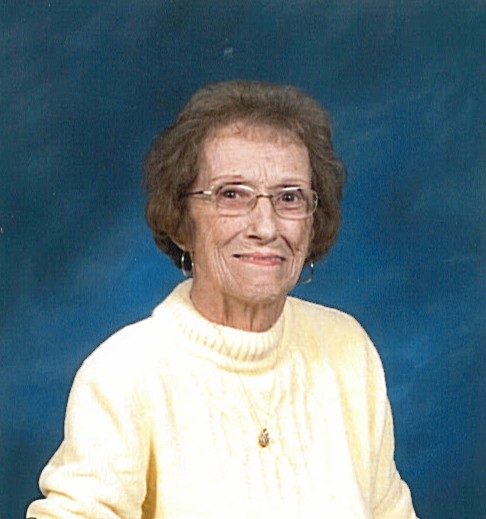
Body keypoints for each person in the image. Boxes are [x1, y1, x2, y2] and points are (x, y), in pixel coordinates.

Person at [26, 80, 418, 518]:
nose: (265, 227)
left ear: (313, 221)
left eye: (289, 198)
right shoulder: (124, 373)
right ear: (182, 222)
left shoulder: (347, 347)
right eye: (232, 195)